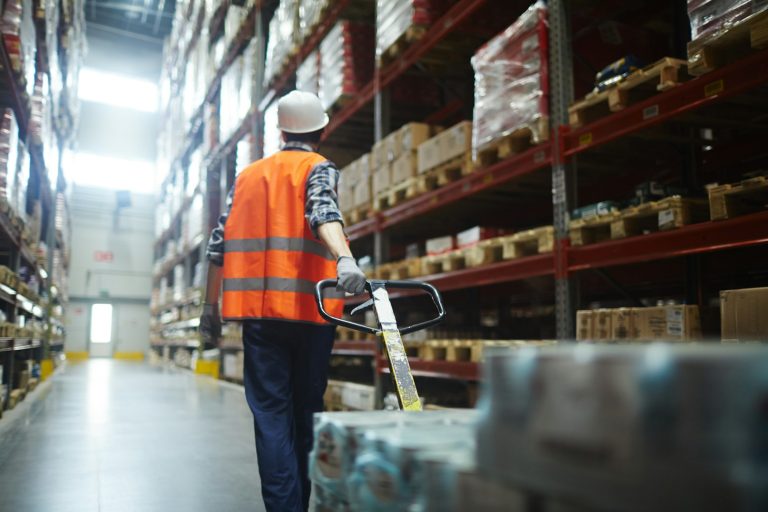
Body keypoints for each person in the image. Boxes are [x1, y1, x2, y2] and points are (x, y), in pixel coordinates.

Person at [198, 90, 366, 512]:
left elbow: (218, 246)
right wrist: (344, 258)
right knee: (305, 412)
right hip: (311, 315)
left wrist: (208, 307)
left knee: (271, 418)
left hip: (259, 319)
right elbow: (323, 213)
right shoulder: (318, 168)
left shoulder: (248, 177)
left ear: (281, 130)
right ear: (321, 130)